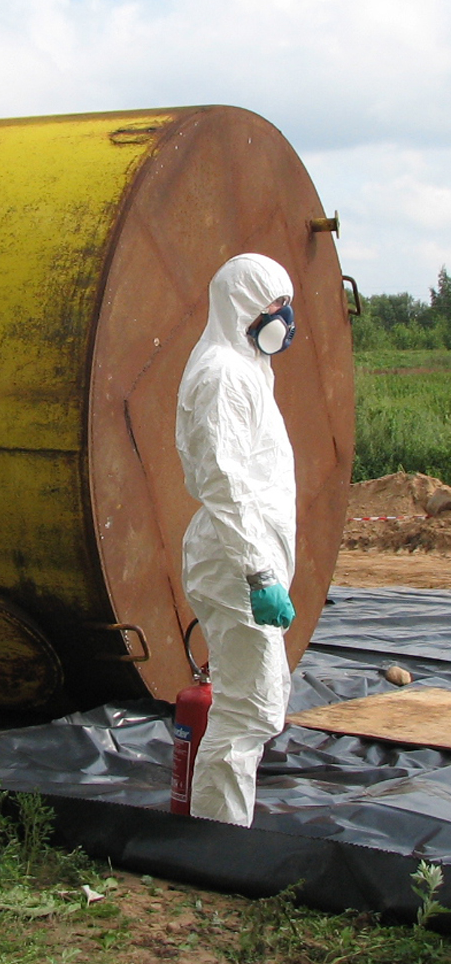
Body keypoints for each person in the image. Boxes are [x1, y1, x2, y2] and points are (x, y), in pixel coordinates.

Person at [175, 253, 297, 827]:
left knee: (253, 705)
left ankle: (218, 833)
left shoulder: (248, 368)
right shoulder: (223, 373)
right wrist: (259, 572)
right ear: (244, 305)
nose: (284, 318)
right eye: (275, 305)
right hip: (234, 564)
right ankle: (217, 840)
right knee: (248, 711)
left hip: (243, 560)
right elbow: (224, 481)